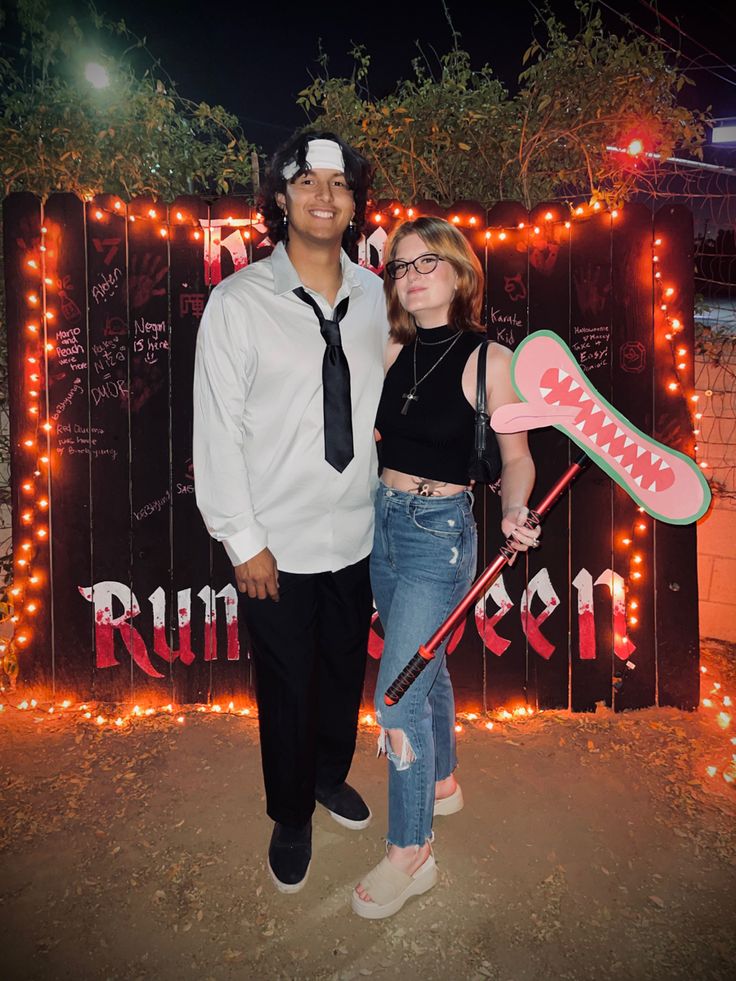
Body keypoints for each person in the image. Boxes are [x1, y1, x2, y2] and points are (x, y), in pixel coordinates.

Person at [193, 131, 389, 894]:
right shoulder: (238, 303)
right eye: (306, 181)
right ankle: (290, 812)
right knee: (286, 682)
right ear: (281, 197)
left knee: (344, 668)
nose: (323, 195)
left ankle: (330, 773)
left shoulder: (377, 297)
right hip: (275, 541)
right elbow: (217, 428)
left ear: (352, 204)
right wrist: (243, 540)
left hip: (358, 529)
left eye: (338, 185)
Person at [353, 216, 539, 919]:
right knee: (426, 668)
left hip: (440, 535)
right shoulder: (394, 343)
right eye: (401, 265)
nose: (412, 274)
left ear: (461, 272)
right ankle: (445, 780)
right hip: (386, 524)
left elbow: (516, 460)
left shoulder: (492, 359)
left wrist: (517, 513)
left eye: (429, 260)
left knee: (398, 693)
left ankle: (413, 850)